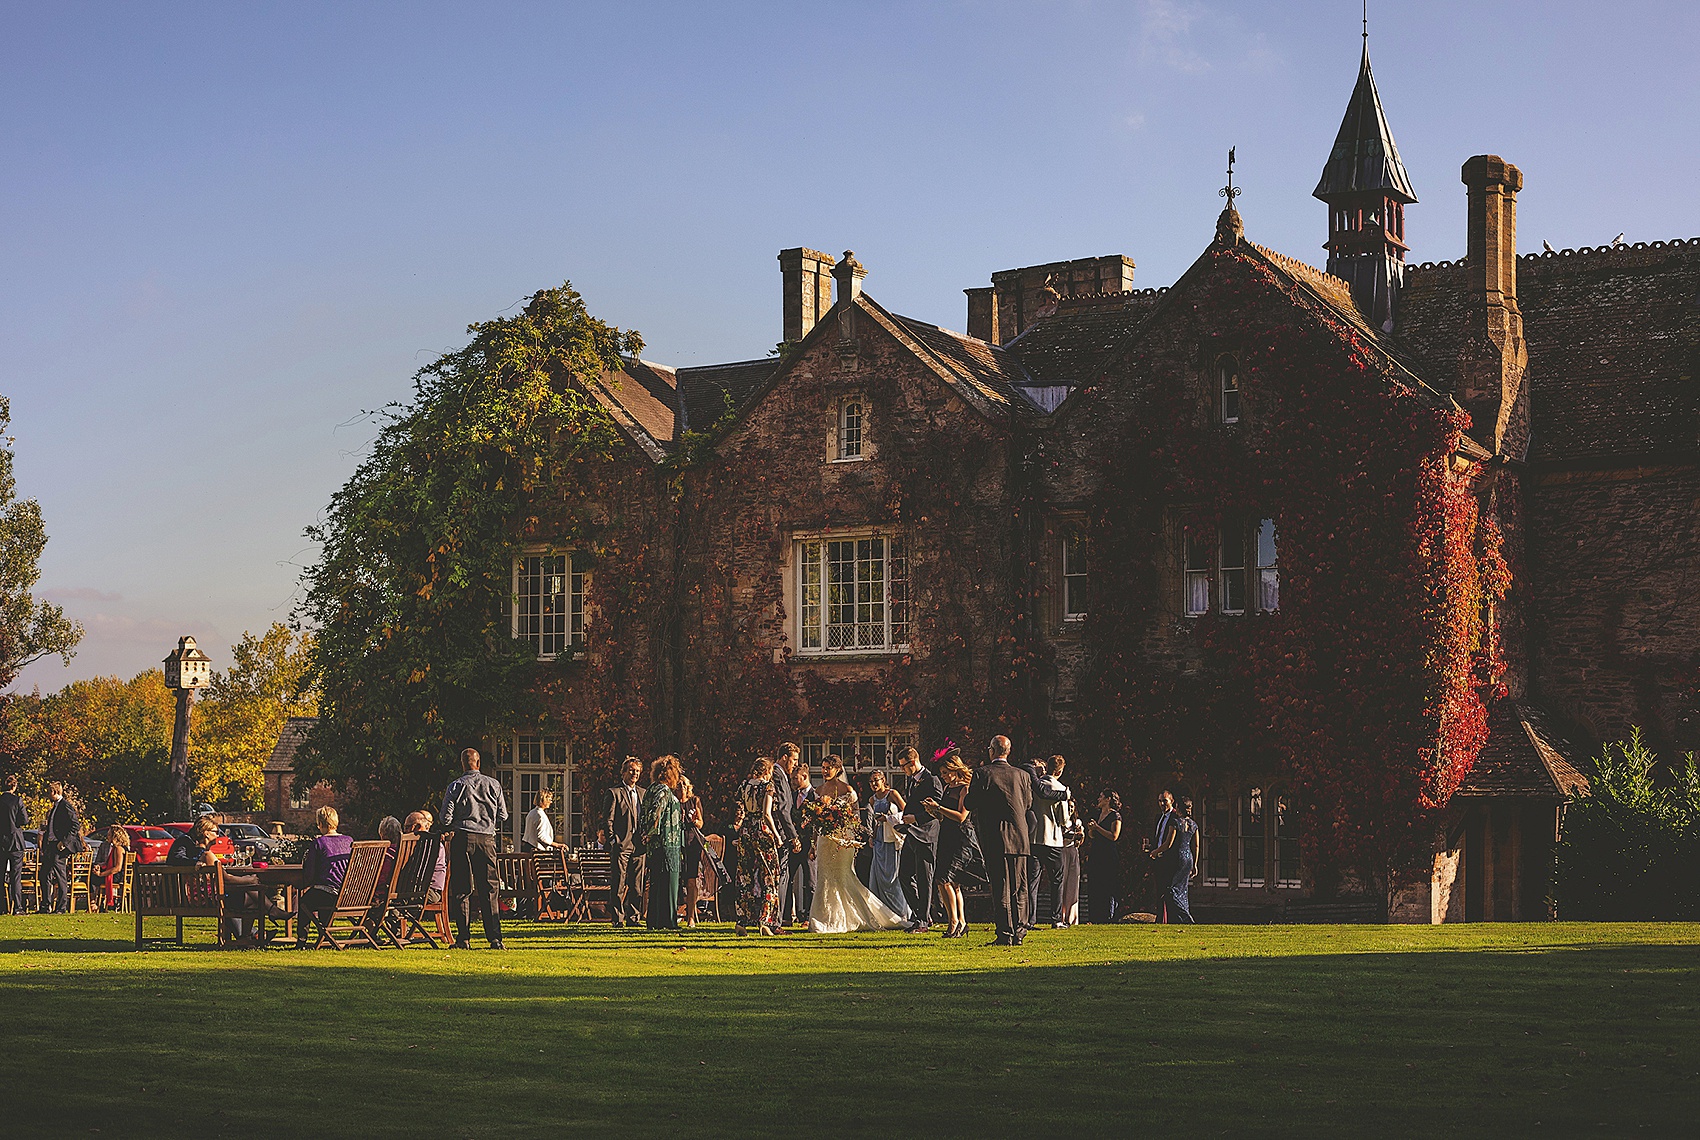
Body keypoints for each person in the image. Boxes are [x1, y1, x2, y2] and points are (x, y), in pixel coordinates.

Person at [807, 755, 908, 934]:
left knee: (843, 876)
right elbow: (816, 820)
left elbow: (855, 818)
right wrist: (813, 843)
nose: (824, 771)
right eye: (822, 767)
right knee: (824, 877)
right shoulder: (818, 790)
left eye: (827, 768)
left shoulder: (847, 789)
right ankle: (823, 918)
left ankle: (859, 915)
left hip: (842, 838)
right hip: (825, 839)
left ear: (837, 769)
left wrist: (846, 834)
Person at [437, 747, 509, 950]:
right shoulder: (493, 784)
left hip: (462, 838)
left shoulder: (456, 786)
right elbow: (503, 815)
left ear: (462, 764)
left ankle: (464, 938)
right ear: (479, 763)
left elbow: (445, 818)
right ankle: (495, 938)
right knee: (490, 889)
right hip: (486, 839)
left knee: (462, 889)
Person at [965, 735, 1034, 945]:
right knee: (1020, 887)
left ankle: (1005, 933)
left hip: (996, 837)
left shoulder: (983, 773)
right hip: (1020, 837)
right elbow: (1028, 803)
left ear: (991, 751)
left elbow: (970, 802)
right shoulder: (1022, 775)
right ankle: (1020, 932)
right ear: (1008, 751)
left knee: (1000, 886)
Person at [922, 751, 982, 938]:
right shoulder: (948, 789)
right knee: (951, 882)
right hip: (947, 835)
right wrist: (933, 811)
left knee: (944, 879)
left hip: (961, 837)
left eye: (946, 772)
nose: (944, 776)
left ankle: (954, 922)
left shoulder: (965, 788)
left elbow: (962, 817)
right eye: (942, 773)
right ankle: (961, 922)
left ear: (955, 769)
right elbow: (944, 818)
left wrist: (939, 808)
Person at [895, 745, 945, 932]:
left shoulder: (932, 780)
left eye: (903, 766)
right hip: (912, 833)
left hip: (926, 834)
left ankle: (923, 921)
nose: (902, 770)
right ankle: (922, 914)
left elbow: (938, 811)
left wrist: (916, 818)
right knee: (904, 875)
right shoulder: (911, 780)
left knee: (925, 878)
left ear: (913, 761)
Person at [733, 757, 783, 936]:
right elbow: (767, 814)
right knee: (769, 875)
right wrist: (777, 836)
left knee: (744, 875)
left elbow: (740, 809)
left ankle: (742, 921)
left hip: (746, 829)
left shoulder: (744, 785)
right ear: (767, 771)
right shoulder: (767, 787)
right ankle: (765, 921)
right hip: (761, 830)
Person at [295, 807, 354, 947]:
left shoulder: (319, 843)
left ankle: (302, 940)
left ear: (320, 823)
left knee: (304, 902)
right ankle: (325, 935)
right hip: (348, 894)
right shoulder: (349, 840)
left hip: (329, 894)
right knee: (319, 894)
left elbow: (309, 875)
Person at [641, 755, 685, 931]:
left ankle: (655, 921)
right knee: (669, 883)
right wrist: (652, 832)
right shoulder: (664, 791)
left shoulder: (651, 789)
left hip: (656, 845)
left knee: (657, 884)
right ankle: (668, 921)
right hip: (667, 843)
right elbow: (655, 812)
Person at [864, 771, 911, 923]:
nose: (873, 784)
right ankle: (881, 913)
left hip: (892, 838)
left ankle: (901, 912)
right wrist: (872, 836)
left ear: (883, 780)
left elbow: (906, 811)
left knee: (892, 877)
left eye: (876, 781)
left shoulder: (892, 794)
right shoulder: (872, 799)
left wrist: (889, 818)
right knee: (878, 877)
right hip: (879, 839)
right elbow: (873, 822)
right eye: (870, 782)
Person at [1031, 758, 1072, 929]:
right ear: (1060, 771)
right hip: (1052, 840)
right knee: (1057, 880)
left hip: (1034, 838)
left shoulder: (1036, 785)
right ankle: (1056, 919)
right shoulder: (1061, 789)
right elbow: (1063, 820)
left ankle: (1029, 919)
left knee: (1033, 881)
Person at [605, 758, 647, 928]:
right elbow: (608, 819)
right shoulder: (614, 792)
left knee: (637, 885)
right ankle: (617, 918)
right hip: (621, 845)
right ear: (623, 772)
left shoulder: (644, 793)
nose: (634, 774)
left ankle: (634, 918)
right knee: (619, 883)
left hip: (639, 846)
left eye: (637, 771)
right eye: (631, 770)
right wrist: (613, 839)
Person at [1152, 795, 1198, 924]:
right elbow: (1196, 845)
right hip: (1188, 858)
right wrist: (1195, 864)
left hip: (1176, 859)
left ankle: (1186, 918)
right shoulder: (1194, 824)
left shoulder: (1175, 823)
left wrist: (1156, 851)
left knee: (1170, 890)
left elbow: (1168, 844)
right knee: (1182, 889)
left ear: (1177, 808)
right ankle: (1177, 919)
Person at [39, 781, 84, 913]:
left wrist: (64, 842)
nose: (48, 795)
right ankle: (46, 906)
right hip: (51, 845)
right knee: (44, 874)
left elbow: (75, 825)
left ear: (55, 792)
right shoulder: (55, 807)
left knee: (60, 876)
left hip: (60, 846)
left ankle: (61, 907)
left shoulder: (65, 806)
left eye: (49, 792)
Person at [770, 744, 803, 924]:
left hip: (783, 831)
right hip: (781, 833)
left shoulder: (780, 775)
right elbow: (783, 810)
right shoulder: (777, 774)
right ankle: (778, 920)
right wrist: (792, 836)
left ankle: (779, 918)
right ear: (784, 757)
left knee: (783, 876)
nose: (795, 764)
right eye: (794, 760)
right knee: (782, 876)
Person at [1051, 757, 1084, 926]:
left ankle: (1072, 917)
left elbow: (1080, 840)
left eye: (1072, 808)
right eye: (1068, 807)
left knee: (1072, 885)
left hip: (1073, 852)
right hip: (1061, 850)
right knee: (1061, 883)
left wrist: (1079, 837)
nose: (1070, 809)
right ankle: (1061, 916)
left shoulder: (1077, 823)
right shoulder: (1061, 821)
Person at [787, 761, 819, 926]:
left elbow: (818, 825)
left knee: (810, 882)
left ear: (804, 777)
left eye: (795, 778)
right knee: (787, 879)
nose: (792, 782)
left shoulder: (816, 797)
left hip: (808, 845)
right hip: (793, 844)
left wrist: (813, 846)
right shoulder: (791, 796)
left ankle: (808, 916)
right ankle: (786, 916)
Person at [1085, 790, 1123, 923]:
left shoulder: (1115, 816)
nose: (1098, 799)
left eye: (1101, 797)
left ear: (1108, 799)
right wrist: (1091, 829)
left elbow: (1114, 836)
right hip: (1096, 852)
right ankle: (1094, 917)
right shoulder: (1097, 814)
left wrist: (1098, 828)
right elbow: (1092, 835)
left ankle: (1108, 916)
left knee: (1107, 885)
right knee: (1095, 884)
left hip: (1108, 854)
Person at [679, 775, 707, 928]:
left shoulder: (694, 801)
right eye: (678, 784)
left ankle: (691, 917)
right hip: (676, 844)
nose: (681, 786)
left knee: (691, 881)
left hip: (692, 844)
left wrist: (696, 821)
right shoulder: (672, 802)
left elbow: (701, 823)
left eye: (684, 783)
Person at [404, 811, 447, 904]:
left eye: (407, 827)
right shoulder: (433, 844)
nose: (405, 831)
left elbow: (417, 874)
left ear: (417, 827)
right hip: (422, 889)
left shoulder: (427, 846)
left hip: (428, 892)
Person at [1, 774, 26, 915]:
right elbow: (24, 820)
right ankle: (17, 907)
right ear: (14, 786)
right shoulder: (17, 801)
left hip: (1, 842)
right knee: (15, 876)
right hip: (15, 842)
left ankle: (2, 907)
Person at [92, 825, 131, 911]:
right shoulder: (121, 848)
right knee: (93, 874)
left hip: (117, 877)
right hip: (118, 875)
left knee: (91, 877)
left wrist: (101, 874)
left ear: (115, 836)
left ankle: (93, 903)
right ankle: (94, 903)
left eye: (109, 834)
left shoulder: (118, 849)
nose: (107, 836)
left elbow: (117, 868)